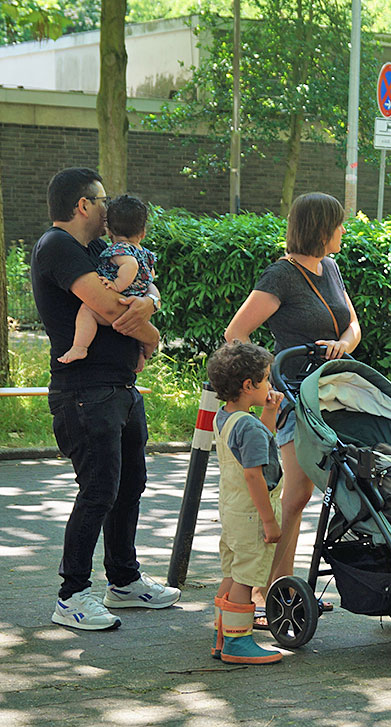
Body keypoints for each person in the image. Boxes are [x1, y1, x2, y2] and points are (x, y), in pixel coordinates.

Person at [30, 168, 178, 631]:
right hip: (84, 393)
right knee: (98, 491)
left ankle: (124, 580)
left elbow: (144, 286)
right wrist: (152, 334)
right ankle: (71, 594)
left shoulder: (97, 250)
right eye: (102, 199)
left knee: (129, 487)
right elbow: (113, 309)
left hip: (120, 389)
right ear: (82, 205)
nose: (107, 207)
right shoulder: (57, 248)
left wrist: (150, 304)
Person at [224, 192, 361, 619]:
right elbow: (236, 334)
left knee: (302, 495)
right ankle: (269, 593)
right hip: (297, 396)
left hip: (333, 390)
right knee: (296, 494)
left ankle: (278, 589)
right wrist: (265, 383)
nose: (343, 231)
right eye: (338, 224)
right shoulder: (281, 275)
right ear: (319, 227)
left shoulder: (331, 268)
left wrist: (343, 343)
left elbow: (353, 324)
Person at [206, 340, 284, 664]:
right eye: (266, 378)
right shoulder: (247, 426)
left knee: (233, 571)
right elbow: (254, 474)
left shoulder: (226, 418)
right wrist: (269, 520)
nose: (270, 384)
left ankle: (222, 634)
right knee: (246, 577)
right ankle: (238, 643)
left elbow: (255, 446)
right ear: (248, 385)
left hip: (232, 510)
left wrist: (269, 412)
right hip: (253, 513)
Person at [59, 194, 157, 365]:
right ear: (142, 233)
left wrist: (117, 284)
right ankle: (140, 356)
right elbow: (151, 276)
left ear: (110, 230)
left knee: (87, 311)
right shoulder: (146, 253)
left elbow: (130, 264)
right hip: (136, 300)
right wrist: (148, 296)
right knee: (134, 331)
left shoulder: (119, 250)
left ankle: (80, 347)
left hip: (121, 301)